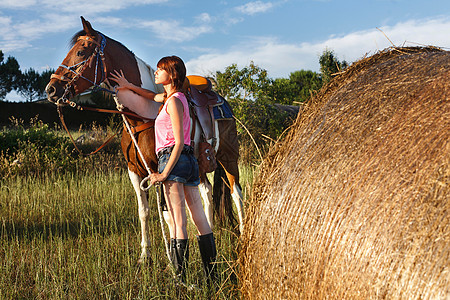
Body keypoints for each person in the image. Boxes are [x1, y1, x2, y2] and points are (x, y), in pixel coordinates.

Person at [110, 56, 217, 285]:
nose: (156, 73)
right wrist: (128, 86)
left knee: (179, 224)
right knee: (200, 220)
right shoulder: (172, 98)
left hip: (174, 159)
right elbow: (150, 95)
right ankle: (212, 276)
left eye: (160, 70)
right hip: (188, 163)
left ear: (172, 75)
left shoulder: (174, 102)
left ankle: (181, 279)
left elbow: (179, 141)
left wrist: (163, 173)